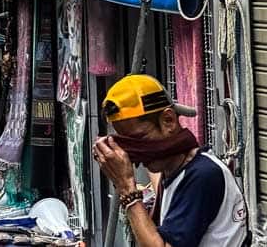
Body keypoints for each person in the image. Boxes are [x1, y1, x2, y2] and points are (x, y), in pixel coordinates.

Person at [93, 74, 247, 247]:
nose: (136, 150)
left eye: (140, 139)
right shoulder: (174, 170)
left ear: (169, 121)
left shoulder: (202, 175)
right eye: (129, 144)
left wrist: (126, 188)